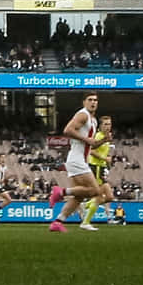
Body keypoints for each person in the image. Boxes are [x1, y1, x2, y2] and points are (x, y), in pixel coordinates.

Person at [48, 95, 105, 232]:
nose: (93, 102)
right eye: (90, 100)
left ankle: (58, 221)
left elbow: (92, 145)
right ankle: (60, 192)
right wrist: (86, 139)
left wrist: (104, 140)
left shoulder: (93, 120)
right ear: (84, 102)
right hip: (77, 158)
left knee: (79, 196)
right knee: (95, 191)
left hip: (80, 159)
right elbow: (67, 130)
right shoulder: (82, 115)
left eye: (95, 100)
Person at [80, 115, 116, 230]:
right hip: (95, 167)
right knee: (99, 197)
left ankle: (86, 205)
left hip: (101, 168)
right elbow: (91, 151)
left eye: (109, 124)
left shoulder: (108, 137)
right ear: (100, 126)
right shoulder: (98, 136)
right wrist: (104, 159)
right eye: (105, 124)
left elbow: (105, 153)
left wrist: (108, 162)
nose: (107, 127)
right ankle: (85, 222)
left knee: (109, 197)